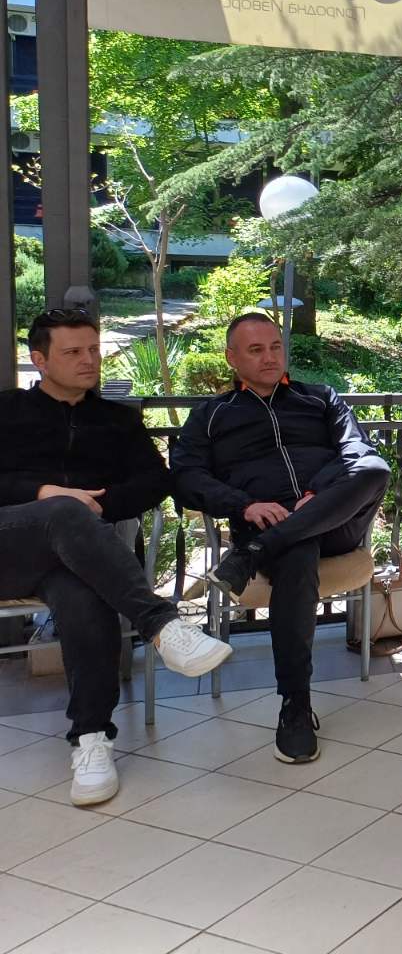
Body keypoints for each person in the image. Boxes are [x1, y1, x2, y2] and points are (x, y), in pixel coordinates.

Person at [0, 309, 231, 806]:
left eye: (93, 349)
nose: (89, 360)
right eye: (73, 352)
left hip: (76, 555)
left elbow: (155, 481)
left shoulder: (118, 421)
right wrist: (44, 493)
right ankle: (161, 625)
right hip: (8, 549)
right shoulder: (5, 411)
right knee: (63, 512)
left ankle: (91, 738)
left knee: (85, 595)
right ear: (39, 360)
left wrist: (96, 509)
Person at [170, 313, 389, 765]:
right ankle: (296, 704)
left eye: (275, 346)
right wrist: (244, 505)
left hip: (333, 523)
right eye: (256, 350)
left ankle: (253, 553)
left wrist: (318, 492)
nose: (270, 357)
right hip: (268, 524)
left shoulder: (320, 398)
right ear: (232, 358)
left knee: (375, 469)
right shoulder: (211, 416)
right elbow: (186, 477)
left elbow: (358, 451)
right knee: (297, 549)